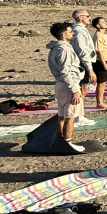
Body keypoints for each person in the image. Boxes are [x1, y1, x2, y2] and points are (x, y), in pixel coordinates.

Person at [46, 22, 84, 152]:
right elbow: (65, 72)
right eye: (70, 31)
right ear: (63, 35)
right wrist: (74, 90)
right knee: (70, 117)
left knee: (62, 115)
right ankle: (67, 144)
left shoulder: (55, 48)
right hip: (69, 85)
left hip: (61, 85)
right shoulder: (64, 49)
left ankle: (60, 141)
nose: (72, 33)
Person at [70, 8, 97, 126]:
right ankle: (78, 115)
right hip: (82, 63)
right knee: (83, 88)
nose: (89, 18)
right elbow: (82, 51)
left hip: (83, 61)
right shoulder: (79, 31)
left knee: (84, 88)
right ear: (81, 17)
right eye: (87, 16)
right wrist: (90, 69)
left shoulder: (80, 30)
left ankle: (79, 114)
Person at [91, 17, 107, 107]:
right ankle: (99, 103)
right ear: (98, 25)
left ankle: (100, 101)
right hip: (100, 61)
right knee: (101, 82)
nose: (105, 23)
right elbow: (99, 51)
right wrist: (104, 64)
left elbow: (106, 49)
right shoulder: (98, 35)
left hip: (106, 60)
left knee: (104, 82)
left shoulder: (104, 34)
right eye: (103, 22)